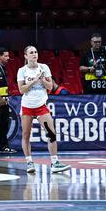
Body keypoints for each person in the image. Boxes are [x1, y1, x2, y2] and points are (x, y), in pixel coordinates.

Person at [17, 46, 70, 174]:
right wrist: (34, 81)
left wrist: (42, 79)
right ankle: (29, 162)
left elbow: (50, 87)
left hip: (41, 106)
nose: (34, 54)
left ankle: (54, 162)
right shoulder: (22, 70)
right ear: (25, 56)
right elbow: (21, 90)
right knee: (26, 135)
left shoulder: (44, 68)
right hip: (27, 106)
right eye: (31, 52)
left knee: (51, 133)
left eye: (35, 52)